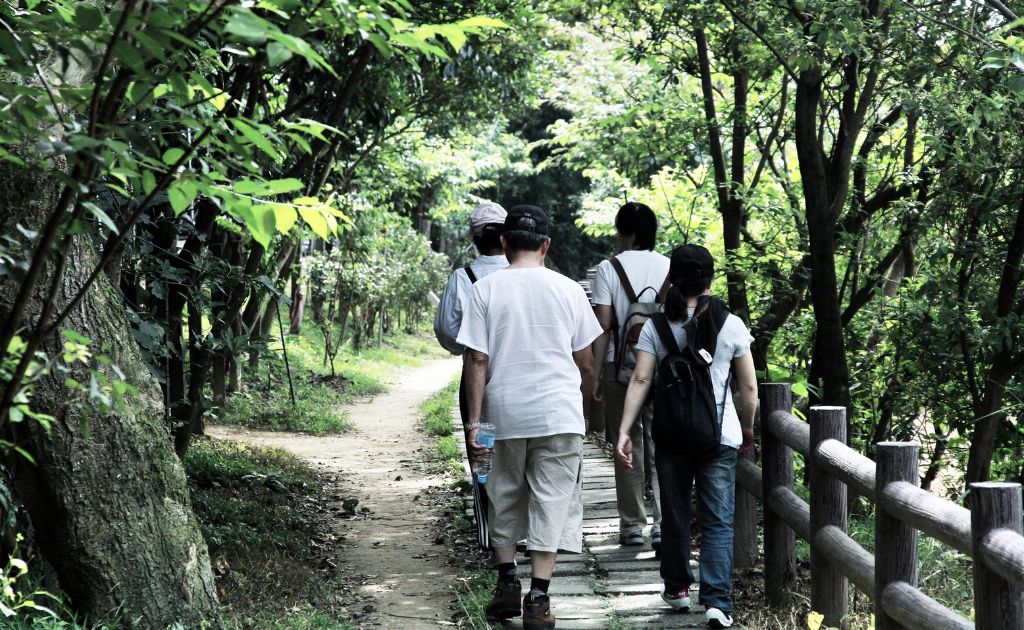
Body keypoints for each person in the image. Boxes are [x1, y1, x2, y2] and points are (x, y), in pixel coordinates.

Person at [457, 205, 601, 630]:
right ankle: (538, 599)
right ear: (546, 244)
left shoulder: (484, 289)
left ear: (504, 243)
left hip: (499, 414)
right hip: (559, 414)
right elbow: (586, 362)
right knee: (552, 500)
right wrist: (583, 411)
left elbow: (477, 360)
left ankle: (506, 581)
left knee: (499, 493)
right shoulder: (569, 290)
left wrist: (474, 425)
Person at [614, 244, 757, 629]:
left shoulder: (655, 326)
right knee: (718, 520)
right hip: (719, 436)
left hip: (671, 433)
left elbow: (640, 379)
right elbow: (749, 388)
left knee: (675, 514)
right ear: (710, 278)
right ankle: (717, 602)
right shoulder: (730, 324)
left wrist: (625, 430)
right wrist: (746, 428)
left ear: (672, 281)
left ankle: (677, 589)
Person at [590, 202, 669, 548]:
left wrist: (595, 374)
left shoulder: (608, 268)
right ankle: (664, 524)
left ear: (626, 232)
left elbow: (603, 325)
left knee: (626, 442)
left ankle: (633, 525)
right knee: (662, 443)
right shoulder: (670, 266)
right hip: (664, 367)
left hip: (619, 365)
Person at [433, 201, 508, 550]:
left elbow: (447, 330)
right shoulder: (524, 274)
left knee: (484, 453)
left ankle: (493, 534)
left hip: (479, 384)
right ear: (506, 237)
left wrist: (466, 344)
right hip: (521, 378)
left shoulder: (464, 278)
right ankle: (524, 530)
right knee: (519, 453)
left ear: (474, 239)